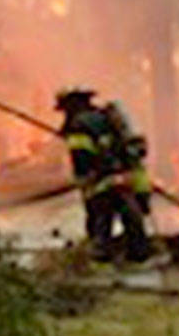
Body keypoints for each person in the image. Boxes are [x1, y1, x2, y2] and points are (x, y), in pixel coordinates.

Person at [54, 88, 152, 264]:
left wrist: (85, 180)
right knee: (132, 222)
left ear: (72, 106)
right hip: (129, 179)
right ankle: (139, 258)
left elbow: (81, 159)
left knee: (100, 224)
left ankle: (101, 261)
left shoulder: (79, 126)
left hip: (103, 183)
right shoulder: (108, 118)